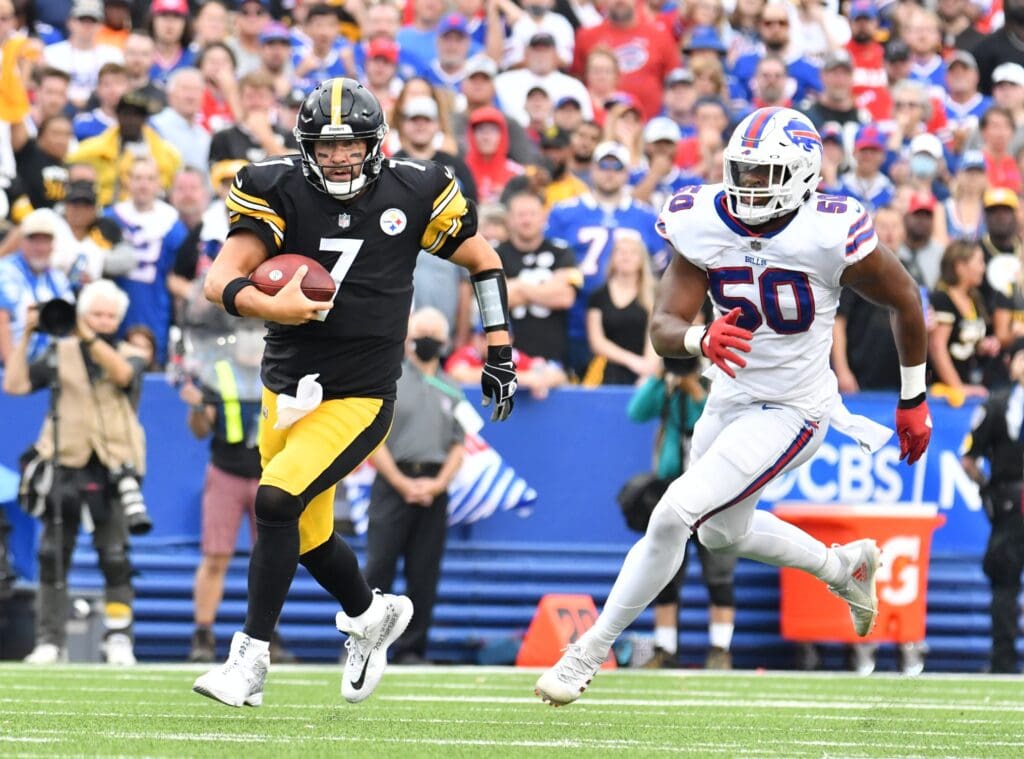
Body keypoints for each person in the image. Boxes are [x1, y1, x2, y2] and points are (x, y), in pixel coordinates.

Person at [535, 107, 932, 706]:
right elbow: (664, 325)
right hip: (731, 393)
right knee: (721, 533)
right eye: (742, 171)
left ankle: (588, 652)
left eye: (765, 173)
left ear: (802, 174)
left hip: (796, 407)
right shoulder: (701, 218)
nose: (749, 186)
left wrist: (914, 397)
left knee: (673, 515)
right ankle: (842, 568)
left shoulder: (830, 228)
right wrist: (701, 339)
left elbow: (905, 302)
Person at [192, 77, 518, 708]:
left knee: (276, 499)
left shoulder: (415, 190)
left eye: (352, 145)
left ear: (376, 143)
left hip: (360, 393)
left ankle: (249, 659)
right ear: (306, 145)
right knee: (305, 533)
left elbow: (484, 260)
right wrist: (271, 305)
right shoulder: (275, 187)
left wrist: (498, 348)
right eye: (327, 145)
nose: (339, 157)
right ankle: (369, 617)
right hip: (283, 387)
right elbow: (219, 280)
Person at [3, 280, 151, 666]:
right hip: (64, 463)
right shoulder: (58, 351)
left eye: (108, 315)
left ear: (117, 319)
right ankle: (50, 639)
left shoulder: (130, 353)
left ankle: (119, 637)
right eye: (94, 314)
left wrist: (85, 335)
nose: (102, 321)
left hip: (113, 465)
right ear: (82, 314)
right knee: (52, 555)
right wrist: (27, 334)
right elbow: (15, 384)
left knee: (115, 556)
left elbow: (121, 375)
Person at [363, 307, 466, 665]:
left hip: (434, 487)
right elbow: (374, 440)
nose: (425, 342)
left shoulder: (452, 389)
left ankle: (412, 648)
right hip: (394, 483)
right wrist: (401, 482)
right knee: (379, 567)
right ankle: (365, 644)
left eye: (432, 336)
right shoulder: (389, 381)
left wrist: (437, 484)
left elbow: (459, 444)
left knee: (424, 572)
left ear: (444, 342)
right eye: (420, 334)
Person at [625, 355, 738, 669]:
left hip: (714, 490)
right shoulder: (667, 388)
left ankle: (720, 650)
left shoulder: (715, 385)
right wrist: (660, 378)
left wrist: (697, 392)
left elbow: (722, 426)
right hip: (672, 487)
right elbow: (635, 412)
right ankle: (665, 648)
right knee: (665, 574)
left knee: (719, 573)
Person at [960, 340, 1024, 674]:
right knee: (1004, 583)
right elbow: (968, 459)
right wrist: (989, 490)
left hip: (1012, 501)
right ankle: (1003, 660)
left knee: (1005, 584)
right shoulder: (997, 406)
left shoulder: (1000, 404)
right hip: (1011, 505)